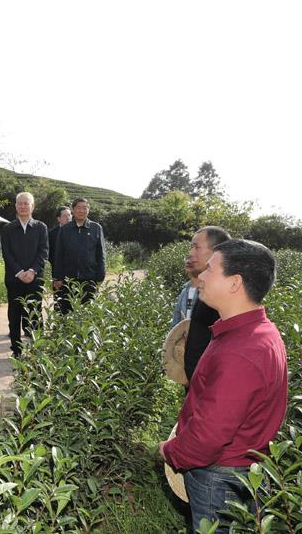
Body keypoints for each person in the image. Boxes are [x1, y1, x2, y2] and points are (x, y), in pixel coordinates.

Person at [160, 239, 287, 532]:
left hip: (219, 480)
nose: (201, 276)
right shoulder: (254, 333)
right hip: (236, 472)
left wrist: (170, 451)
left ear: (235, 283)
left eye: (211, 270)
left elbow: (209, 437)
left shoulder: (241, 351)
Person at [1, 192, 49, 357]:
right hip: (14, 279)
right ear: (15, 206)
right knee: (14, 315)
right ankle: (17, 349)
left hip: (35, 278)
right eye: (20, 203)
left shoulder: (41, 227)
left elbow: (43, 252)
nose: (23, 206)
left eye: (26, 203)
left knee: (34, 312)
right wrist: (20, 272)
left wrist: (32, 271)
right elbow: (6, 253)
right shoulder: (8, 228)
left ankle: (37, 349)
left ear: (32, 206)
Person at [181, 226, 231, 381]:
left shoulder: (222, 299)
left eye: (196, 247)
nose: (190, 254)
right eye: (191, 247)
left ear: (217, 253)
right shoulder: (190, 292)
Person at [52, 198, 106, 314]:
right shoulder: (65, 229)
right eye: (78, 208)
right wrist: (58, 277)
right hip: (68, 279)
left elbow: (101, 254)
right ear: (73, 210)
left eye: (84, 208)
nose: (81, 211)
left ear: (88, 210)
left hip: (89, 278)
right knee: (66, 312)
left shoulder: (96, 228)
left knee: (88, 312)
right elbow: (59, 254)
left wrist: (100, 276)